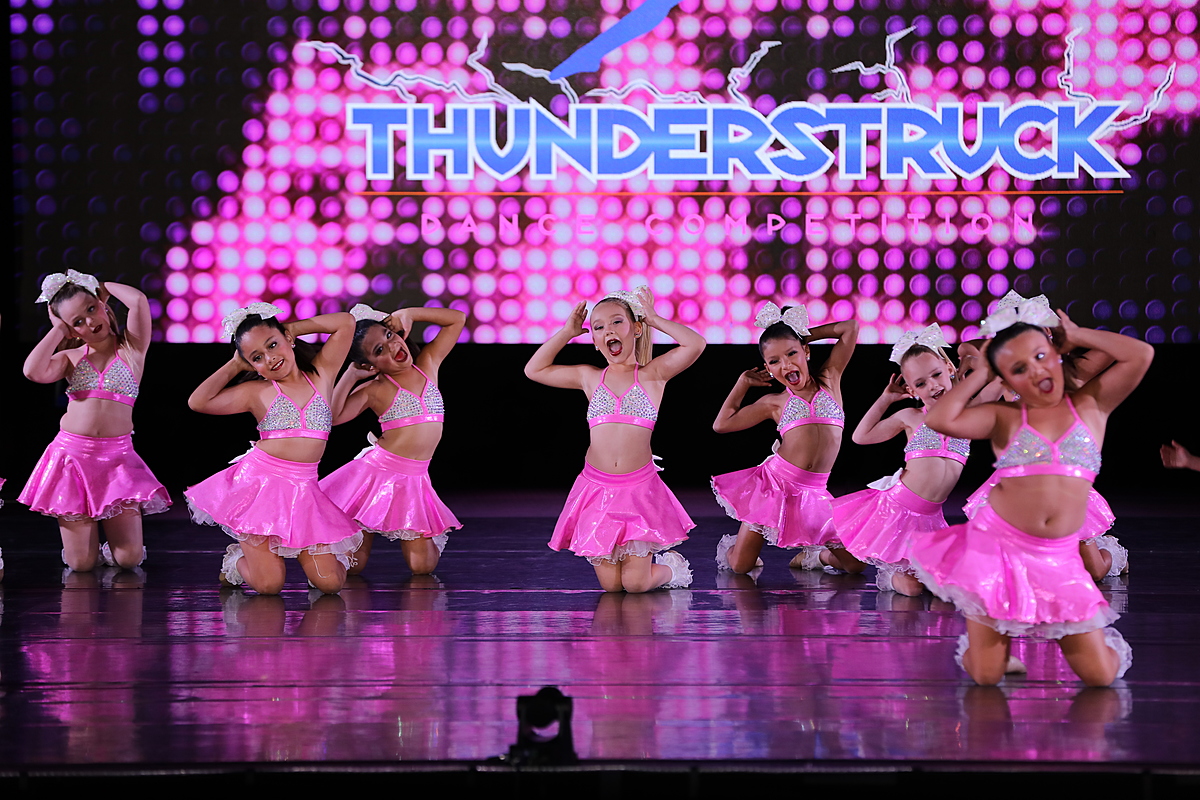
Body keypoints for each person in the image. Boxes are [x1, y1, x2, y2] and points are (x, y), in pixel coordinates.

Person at [910, 299, 1151, 686]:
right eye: (1019, 369)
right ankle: (986, 652)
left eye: (1040, 356)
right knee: (986, 676)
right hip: (999, 549)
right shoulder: (1004, 418)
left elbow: (1141, 354)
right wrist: (981, 371)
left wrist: (1078, 335)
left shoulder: (1092, 405)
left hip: (1060, 558)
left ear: (1057, 354)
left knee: (1101, 676)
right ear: (1006, 381)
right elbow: (940, 419)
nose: (1036, 370)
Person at [524, 286, 703, 592]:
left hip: (638, 489)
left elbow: (695, 343)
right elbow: (534, 370)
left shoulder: (653, 374)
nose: (608, 330)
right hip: (597, 489)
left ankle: (671, 570)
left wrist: (653, 318)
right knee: (612, 587)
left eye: (617, 322)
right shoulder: (590, 377)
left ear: (635, 329)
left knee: (635, 584)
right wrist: (567, 333)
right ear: (595, 342)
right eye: (599, 327)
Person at [185, 303, 361, 595]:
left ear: (288, 340)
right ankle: (236, 563)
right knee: (269, 585)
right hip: (261, 487)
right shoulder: (256, 392)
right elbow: (198, 402)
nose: (270, 358)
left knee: (330, 584)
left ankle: (317, 562)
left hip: (305, 488)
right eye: (257, 357)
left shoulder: (322, 373)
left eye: (273, 344)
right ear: (252, 365)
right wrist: (235, 364)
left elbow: (346, 322)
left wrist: (293, 328)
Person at [960, 293, 1127, 581]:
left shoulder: (1071, 372)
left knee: (1094, 571)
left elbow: (1118, 347)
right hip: (1018, 480)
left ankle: (1113, 553)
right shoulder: (1005, 377)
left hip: (1062, 480)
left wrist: (1071, 336)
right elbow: (966, 351)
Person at [20, 270, 170, 572]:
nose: (90, 322)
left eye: (91, 309)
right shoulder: (71, 357)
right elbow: (32, 371)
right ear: (71, 330)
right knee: (81, 564)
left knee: (129, 559)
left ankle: (111, 547)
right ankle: (85, 550)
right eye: (78, 322)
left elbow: (138, 301)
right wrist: (58, 329)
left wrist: (101, 287)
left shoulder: (132, 348)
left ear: (103, 305)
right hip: (72, 458)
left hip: (117, 459)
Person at [710, 302, 859, 574]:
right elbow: (722, 424)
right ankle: (739, 550)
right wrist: (742, 384)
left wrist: (800, 335)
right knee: (741, 567)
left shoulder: (830, 380)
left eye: (792, 353)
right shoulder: (775, 402)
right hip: (774, 486)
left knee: (854, 566)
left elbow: (849, 328)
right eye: (775, 361)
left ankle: (816, 557)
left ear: (806, 352)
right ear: (768, 368)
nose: (786, 364)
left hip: (815, 492)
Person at [320, 303, 467, 576]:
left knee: (423, 567)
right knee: (353, 566)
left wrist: (409, 314)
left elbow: (457, 319)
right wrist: (351, 374)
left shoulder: (428, 364)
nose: (392, 347)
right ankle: (351, 528)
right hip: (376, 476)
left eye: (389, 336)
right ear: (369, 365)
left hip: (415, 479)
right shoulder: (376, 388)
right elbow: (334, 417)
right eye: (379, 350)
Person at [831, 325, 970, 597]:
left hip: (931, 519)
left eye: (936, 375)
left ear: (949, 368)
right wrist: (886, 399)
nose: (933, 385)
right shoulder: (911, 417)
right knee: (913, 588)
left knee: (947, 585)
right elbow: (861, 437)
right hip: (897, 513)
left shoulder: (969, 414)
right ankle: (835, 560)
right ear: (912, 390)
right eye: (921, 383)